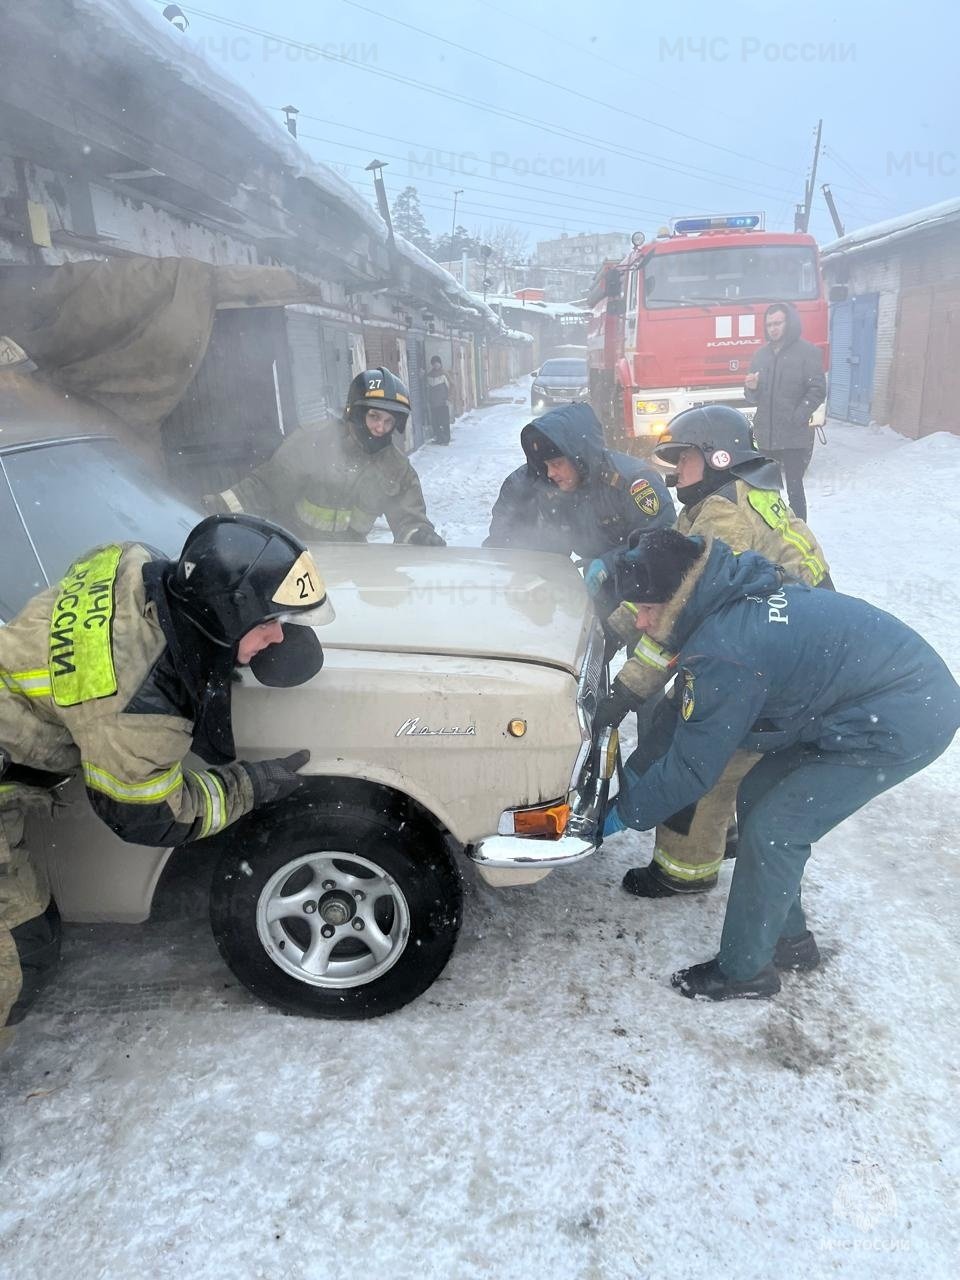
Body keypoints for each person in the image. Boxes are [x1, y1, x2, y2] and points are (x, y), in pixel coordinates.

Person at [1, 514, 336, 1042]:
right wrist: (249, 784)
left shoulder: (129, 559)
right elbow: (151, 814)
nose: (280, 637)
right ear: (224, 614)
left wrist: (221, 649)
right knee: (18, 961)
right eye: (270, 621)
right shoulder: (140, 707)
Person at [602, 529, 959, 1001]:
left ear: (676, 598)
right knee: (757, 793)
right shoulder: (719, 597)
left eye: (647, 609)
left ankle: (745, 972)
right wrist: (628, 785)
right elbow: (679, 722)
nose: (642, 623)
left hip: (901, 717)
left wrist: (617, 815)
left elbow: (691, 768)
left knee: (777, 829)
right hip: (865, 699)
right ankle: (788, 940)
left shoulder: (727, 648)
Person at [592, 404, 832, 898]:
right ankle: (722, 834)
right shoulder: (720, 499)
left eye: (684, 459)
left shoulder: (725, 515)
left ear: (717, 455)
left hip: (778, 660)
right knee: (720, 745)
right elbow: (661, 578)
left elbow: (676, 619)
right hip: (783, 644)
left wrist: (623, 695)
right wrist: (613, 627)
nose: (677, 470)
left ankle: (684, 870)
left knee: (696, 748)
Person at [206, 367, 445, 546]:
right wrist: (216, 508)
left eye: (388, 421)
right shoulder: (313, 441)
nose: (380, 428)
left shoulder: (395, 466)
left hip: (354, 561)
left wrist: (419, 535)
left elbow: (408, 517)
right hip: (299, 553)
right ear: (355, 412)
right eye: (374, 416)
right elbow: (265, 488)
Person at [484, 401, 675, 565]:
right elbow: (502, 542)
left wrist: (610, 566)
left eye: (557, 464)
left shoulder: (632, 482)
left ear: (580, 459)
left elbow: (659, 544)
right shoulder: (527, 484)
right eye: (545, 465)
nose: (550, 473)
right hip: (547, 584)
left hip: (635, 584)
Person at [744, 301, 827, 520]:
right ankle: (768, 530)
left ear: (789, 323)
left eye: (778, 323)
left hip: (793, 436)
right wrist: (751, 388)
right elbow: (752, 397)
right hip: (766, 436)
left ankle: (800, 529)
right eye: (769, 324)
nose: (773, 328)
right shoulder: (760, 355)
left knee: (794, 490)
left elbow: (818, 390)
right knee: (765, 489)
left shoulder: (807, 352)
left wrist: (798, 416)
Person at [426, 355, 452, 445]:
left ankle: (446, 439)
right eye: (434, 364)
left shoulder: (444, 374)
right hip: (433, 403)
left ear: (440, 364)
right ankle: (439, 438)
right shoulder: (429, 375)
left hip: (443, 402)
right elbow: (427, 388)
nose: (436, 365)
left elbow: (451, 386)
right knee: (435, 423)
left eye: (437, 363)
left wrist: (448, 398)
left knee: (444, 422)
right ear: (432, 365)